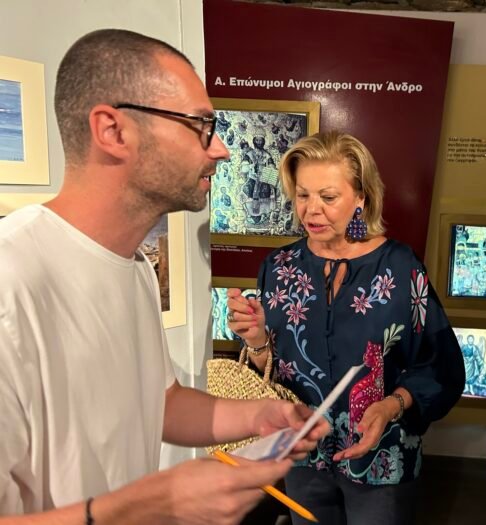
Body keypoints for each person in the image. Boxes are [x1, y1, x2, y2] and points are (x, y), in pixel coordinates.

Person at [0, 29, 328, 524]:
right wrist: (155, 504)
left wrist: (258, 415)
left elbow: (161, 403)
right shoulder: (11, 280)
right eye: (200, 125)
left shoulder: (137, 270)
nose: (221, 150)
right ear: (113, 131)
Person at [227, 131, 465, 525]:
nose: (312, 210)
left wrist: (391, 406)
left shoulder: (400, 267)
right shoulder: (279, 268)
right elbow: (273, 372)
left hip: (382, 461)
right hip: (303, 457)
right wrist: (255, 341)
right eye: (303, 195)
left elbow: (440, 364)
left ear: (361, 198)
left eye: (328, 197)